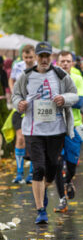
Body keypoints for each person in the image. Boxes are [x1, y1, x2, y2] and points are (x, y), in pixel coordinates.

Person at [12, 42, 78, 224]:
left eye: (47, 56)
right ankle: (41, 210)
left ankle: (43, 190)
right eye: (40, 56)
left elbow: (75, 95)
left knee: (51, 169)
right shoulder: (26, 76)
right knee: (38, 168)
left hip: (56, 130)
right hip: (33, 130)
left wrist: (64, 98)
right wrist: (19, 103)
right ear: (36, 56)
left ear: (51, 57)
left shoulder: (60, 75)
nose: (44, 59)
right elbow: (15, 96)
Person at [53, 51, 83, 213]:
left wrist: (60, 100)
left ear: (72, 63)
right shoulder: (51, 79)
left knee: (72, 164)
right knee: (58, 162)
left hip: (74, 126)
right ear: (57, 62)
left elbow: (79, 103)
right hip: (55, 126)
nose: (65, 64)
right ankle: (62, 199)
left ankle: (68, 181)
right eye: (62, 61)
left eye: (68, 61)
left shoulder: (78, 78)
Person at [9, 44, 36, 184]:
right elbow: (11, 79)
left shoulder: (40, 67)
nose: (28, 60)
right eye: (26, 57)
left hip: (34, 109)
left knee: (31, 139)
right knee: (20, 138)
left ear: (35, 56)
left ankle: (31, 173)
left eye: (31, 57)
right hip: (19, 108)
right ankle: (19, 173)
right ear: (22, 56)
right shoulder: (18, 66)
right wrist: (15, 92)